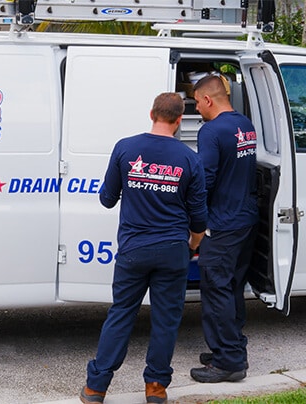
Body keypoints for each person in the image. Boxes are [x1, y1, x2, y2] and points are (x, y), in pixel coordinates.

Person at [80, 93, 207, 404]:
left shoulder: (126, 147)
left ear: (152, 113)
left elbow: (107, 198)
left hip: (133, 250)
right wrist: (191, 246)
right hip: (173, 250)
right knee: (165, 320)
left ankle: (96, 388)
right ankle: (156, 388)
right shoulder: (190, 159)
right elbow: (199, 220)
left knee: (121, 313)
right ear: (179, 121)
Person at [191, 75, 258, 384]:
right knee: (232, 289)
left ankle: (228, 363)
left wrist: (196, 225)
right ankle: (231, 348)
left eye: (196, 102)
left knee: (216, 291)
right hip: (244, 218)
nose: (196, 108)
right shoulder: (244, 124)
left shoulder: (211, 131)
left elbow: (204, 181)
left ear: (207, 100)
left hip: (222, 223)